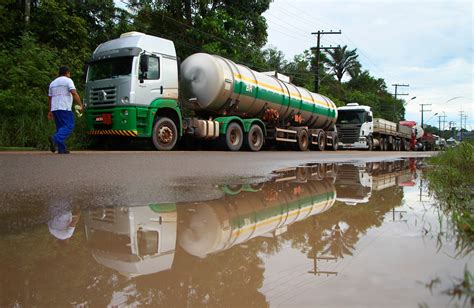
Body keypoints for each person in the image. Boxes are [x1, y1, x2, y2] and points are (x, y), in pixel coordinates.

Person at [48, 66, 83, 154]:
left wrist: (50, 110)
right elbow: (74, 93)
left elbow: (50, 98)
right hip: (64, 107)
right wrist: (80, 104)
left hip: (55, 108)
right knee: (69, 126)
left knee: (60, 128)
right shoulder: (68, 80)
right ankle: (54, 139)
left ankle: (62, 149)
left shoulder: (52, 83)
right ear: (67, 73)